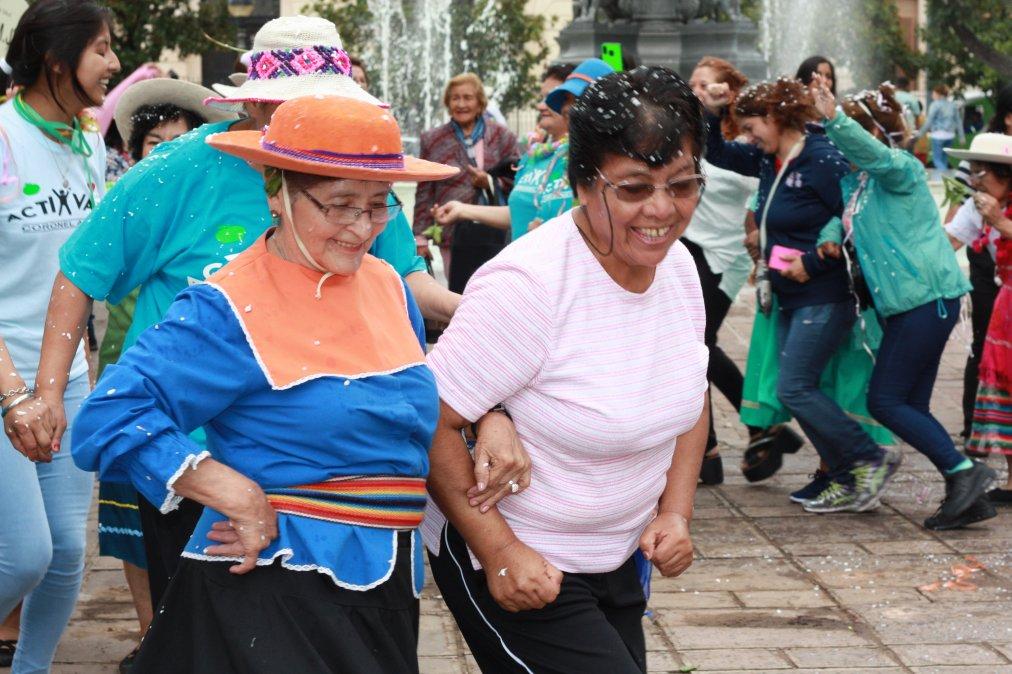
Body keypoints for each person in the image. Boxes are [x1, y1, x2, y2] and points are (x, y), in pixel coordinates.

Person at [35, 15, 462, 626]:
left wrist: (484, 320)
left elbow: (398, 280)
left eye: (370, 208)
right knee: (205, 628)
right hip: (200, 461)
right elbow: (82, 272)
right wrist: (49, 392)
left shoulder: (352, 178)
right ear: (256, 101)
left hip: (337, 473)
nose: (360, 222)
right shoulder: (180, 174)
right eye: (338, 205)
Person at [424, 66, 709, 673]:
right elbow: (429, 420)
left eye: (682, 185)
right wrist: (498, 549)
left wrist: (676, 511)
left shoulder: (680, 268)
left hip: (615, 551)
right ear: (582, 183)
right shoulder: (529, 285)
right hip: (517, 548)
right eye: (634, 188)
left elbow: (691, 393)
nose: (662, 209)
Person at [700, 77, 900, 513]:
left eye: (752, 127)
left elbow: (853, 221)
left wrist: (812, 261)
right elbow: (716, 152)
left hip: (825, 293)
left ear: (775, 118)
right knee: (797, 386)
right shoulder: (769, 157)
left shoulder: (823, 159)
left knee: (795, 386)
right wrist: (714, 113)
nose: (748, 138)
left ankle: (867, 457)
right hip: (790, 294)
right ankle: (845, 474)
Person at [811, 78, 995, 530]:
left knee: (885, 399)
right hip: (908, 305)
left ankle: (965, 474)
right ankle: (965, 490)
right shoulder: (859, 183)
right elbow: (844, 219)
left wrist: (834, 117)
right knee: (910, 402)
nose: (837, 145)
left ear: (872, 134)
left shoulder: (903, 169)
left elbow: (877, 157)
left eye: (848, 134)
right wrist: (829, 238)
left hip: (926, 298)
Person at [96, 76, 232, 672]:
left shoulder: (200, 197)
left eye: (182, 138)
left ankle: (173, 633)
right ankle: (152, 628)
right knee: (133, 514)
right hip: (133, 375)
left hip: (198, 401)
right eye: (157, 141)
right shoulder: (131, 202)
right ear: (136, 149)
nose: (169, 151)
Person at [0, 2, 119, 672]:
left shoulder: (86, 142)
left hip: (66, 378)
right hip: (4, 379)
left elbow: (87, 268)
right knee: (25, 553)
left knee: (70, 554)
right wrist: (17, 395)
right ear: (56, 59)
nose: (114, 64)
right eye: (101, 49)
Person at [685, 56, 803, 485]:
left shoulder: (757, 145)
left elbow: (764, 200)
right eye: (693, 83)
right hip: (691, 248)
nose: (696, 89)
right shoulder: (704, 135)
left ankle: (734, 440)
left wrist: (760, 249)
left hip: (729, 254)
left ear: (729, 91)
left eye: (706, 84)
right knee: (692, 347)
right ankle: (721, 446)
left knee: (697, 345)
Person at [431, 60, 614, 243]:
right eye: (564, 100)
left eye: (571, 99)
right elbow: (519, 213)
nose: (542, 106)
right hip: (529, 266)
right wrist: (462, 210)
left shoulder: (603, 162)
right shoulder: (534, 156)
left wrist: (553, 235)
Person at [945, 133, 1012, 507]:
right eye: (973, 172)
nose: (975, 181)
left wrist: (1001, 221)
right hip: (1006, 308)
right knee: (1003, 389)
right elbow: (948, 241)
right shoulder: (979, 208)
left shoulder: (996, 212)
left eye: (982, 172)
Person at [413, 72, 519, 292]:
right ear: (447, 103)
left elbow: (516, 181)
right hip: (451, 231)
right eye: (455, 98)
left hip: (495, 232)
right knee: (460, 291)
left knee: (494, 289)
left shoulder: (503, 137)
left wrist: (489, 181)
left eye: (468, 98)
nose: (461, 104)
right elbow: (424, 190)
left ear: (480, 102)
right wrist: (420, 237)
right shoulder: (433, 139)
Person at [918, 84, 965, 178]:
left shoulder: (935, 105)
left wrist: (920, 133)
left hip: (938, 134)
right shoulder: (952, 105)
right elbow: (958, 121)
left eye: (934, 93)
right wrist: (961, 136)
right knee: (944, 158)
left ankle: (943, 178)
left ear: (938, 94)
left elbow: (929, 120)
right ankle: (943, 178)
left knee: (937, 160)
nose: (932, 95)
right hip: (950, 135)